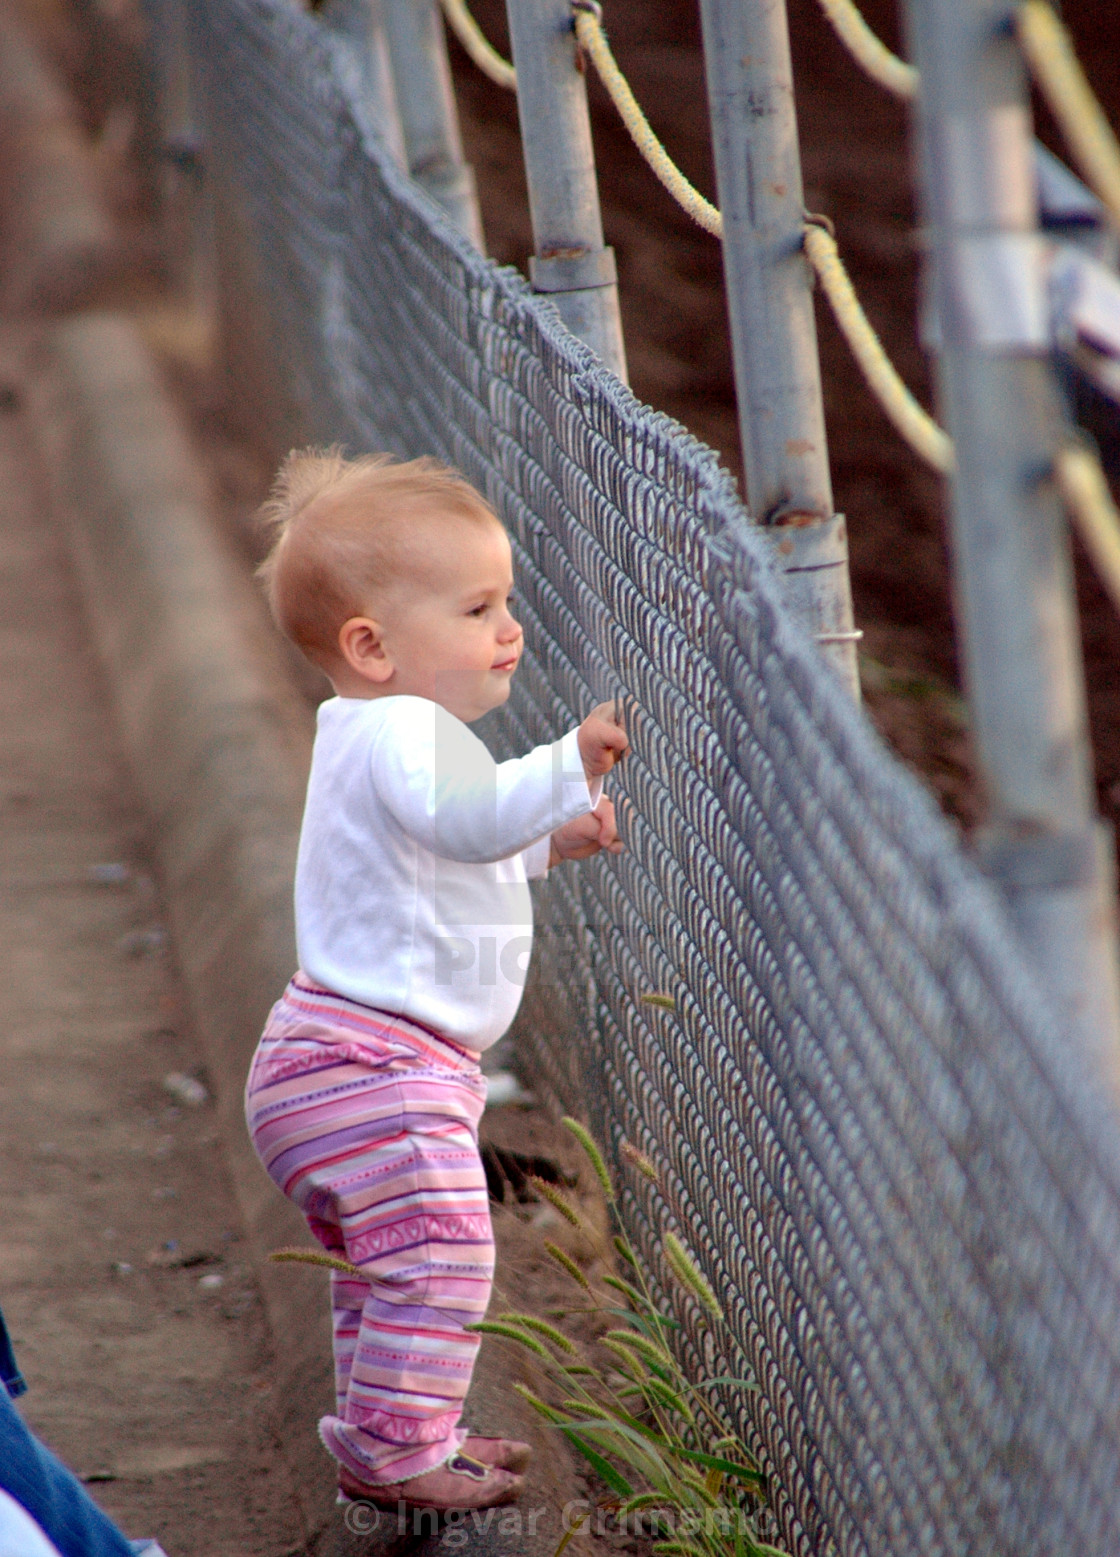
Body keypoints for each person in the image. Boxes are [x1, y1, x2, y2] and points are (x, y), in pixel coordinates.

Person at [244, 450, 627, 1513]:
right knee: (444, 1253)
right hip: (375, 1071)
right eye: (475, 608)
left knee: (392, 1264)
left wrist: (549, 844)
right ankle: (398, 1451)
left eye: (503, 601)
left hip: (332, 1064)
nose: (507, 627)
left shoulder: (370, 734)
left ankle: (403, 1433)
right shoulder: (410, 729)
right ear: (371, 646)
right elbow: (468, 821)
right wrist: (569, 765)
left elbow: (436, 861)